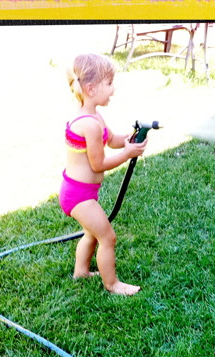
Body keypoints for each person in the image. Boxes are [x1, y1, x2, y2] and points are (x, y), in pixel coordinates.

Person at [60, 53, 148, 296]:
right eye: (109, 83)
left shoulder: (94, 115)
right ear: (90, 88)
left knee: (92, 233)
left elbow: (111, 140)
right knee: (107, 237)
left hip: (82, 192)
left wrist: (130, 139)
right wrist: (128, 154)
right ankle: (112, 284)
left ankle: (81, 272)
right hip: (78, 196)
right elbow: (98, 164)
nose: (114, 89)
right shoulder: (88, 124)